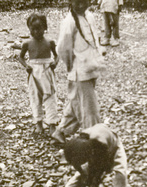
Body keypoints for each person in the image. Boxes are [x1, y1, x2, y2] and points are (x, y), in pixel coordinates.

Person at [45, 123, 128, 187]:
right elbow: (77, 165)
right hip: (95, 148)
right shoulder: (78, 144)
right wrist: (83, 175)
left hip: (113, 145)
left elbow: (103, 167)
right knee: (78, 178)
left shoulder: (100, 143)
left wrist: (92, 180)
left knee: (121, 174)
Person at [53, 0, 106, 145]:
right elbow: (62, 48)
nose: (81, 5)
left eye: (85, 1)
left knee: (77, 101)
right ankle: (95, 140)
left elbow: (95, 39)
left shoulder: (89, 16)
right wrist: (72, 66)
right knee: (89, 108)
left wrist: (97, 57)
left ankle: (60, 131)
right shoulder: (69, 22)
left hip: (91, 67)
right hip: (79, 72)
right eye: (78, 2)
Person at [18, 13, 60, 137]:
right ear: (29, 29)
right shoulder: (27, 43)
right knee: (35, 97)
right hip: (34, 72)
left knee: (50, 97)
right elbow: (20, 57)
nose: (36, 32)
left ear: (45, 28)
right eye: (33, 29)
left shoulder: (50, 42)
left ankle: (52, 123)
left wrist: (54, 63)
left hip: (46, 70)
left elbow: (57, 55)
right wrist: (26, 66)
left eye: (39, 28)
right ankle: (39, 123)